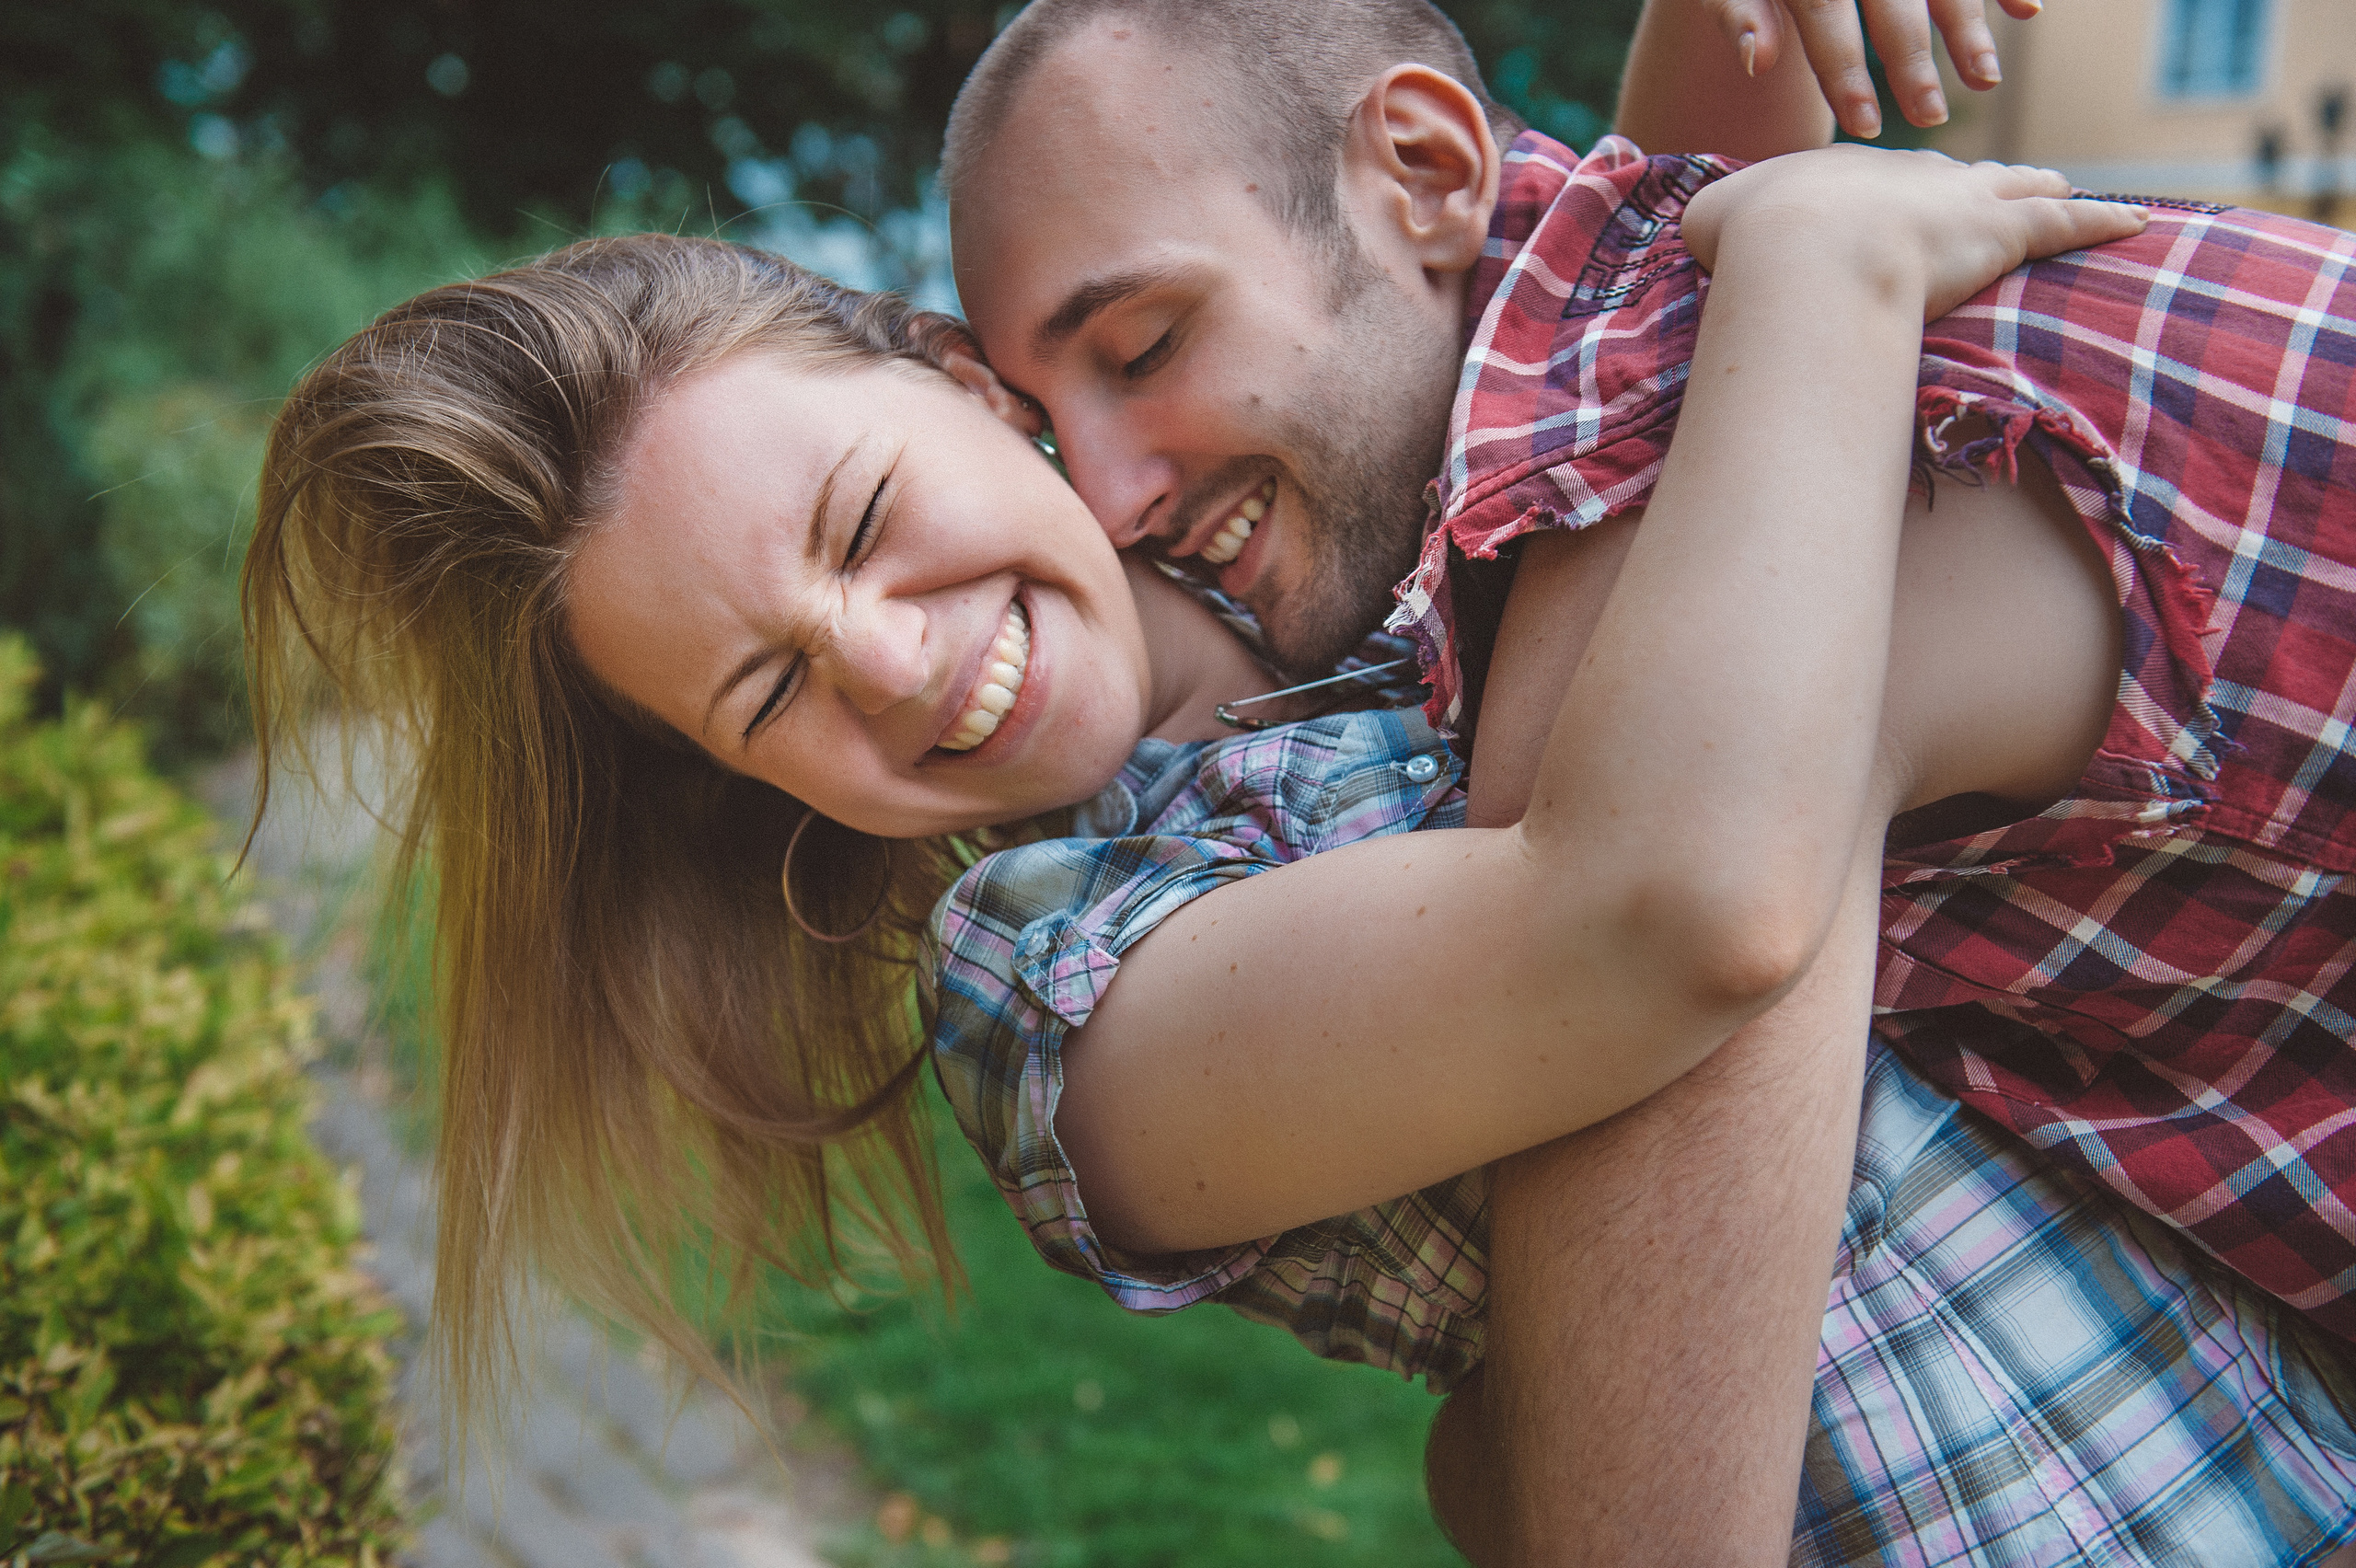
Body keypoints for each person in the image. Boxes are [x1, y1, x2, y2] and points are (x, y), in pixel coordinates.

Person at [242, 141, 2269, 1562]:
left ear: (969, 381)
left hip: (2258, 1418)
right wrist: (1813, 267)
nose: (889, 661)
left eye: (858, 525)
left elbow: (1550, 359)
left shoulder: (1350, 592)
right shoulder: (1057, 1006)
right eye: (766, 697)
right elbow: (1657, 907)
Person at [937, 0, 2356, 1560]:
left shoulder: (1662, 568)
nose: (1116, 498)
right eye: (1053, 434)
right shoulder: (1679, 344)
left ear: (1422, 170)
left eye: (1143, 348)